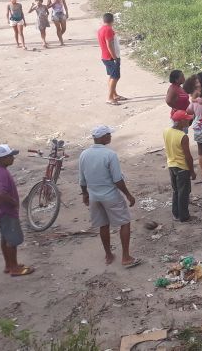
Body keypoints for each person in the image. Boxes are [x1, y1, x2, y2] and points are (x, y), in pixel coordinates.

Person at [78, 125, 139, 267]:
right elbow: (117, 179)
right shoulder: (109, 154)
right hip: (110, 195)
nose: (111, 137)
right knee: (124, 222)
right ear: (103, 137)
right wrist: (128, 195)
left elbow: (82, 179)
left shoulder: (84, 154)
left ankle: (108, 255)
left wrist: (85, 194)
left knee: (103, 225)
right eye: (109, 135)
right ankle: (126, 257)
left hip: (94, 196)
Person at [0, 144, 34, 276]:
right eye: (11, 156)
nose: (13, 158)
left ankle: (9, 265)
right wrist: (13, 202)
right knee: (12, 239)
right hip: (7, 211)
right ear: (3, 158)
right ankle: (14, 268)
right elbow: (1, 192)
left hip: (0, 211)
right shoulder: (2, 173)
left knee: (5, 237)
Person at [164, 110, 197, 222]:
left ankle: (176, 214)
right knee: (184, 192)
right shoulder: (183, 136)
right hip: (182, 167)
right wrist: (192, 171)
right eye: (187, 119)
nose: (189, 121)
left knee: (176, 191)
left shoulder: (166, 131)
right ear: (181, 121)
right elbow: (188, 156)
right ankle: (184, 216)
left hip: (171, 165)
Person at [98, 13, 124, 105]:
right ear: (112, 20)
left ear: (104, 20)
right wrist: (115, 57)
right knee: (115, 77)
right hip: (110, 57)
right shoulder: (108, 30)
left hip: (105, 57)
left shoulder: (101, 29)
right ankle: (109, 97)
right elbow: (109, 45)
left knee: (112, 76)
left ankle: (114, 95)